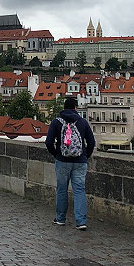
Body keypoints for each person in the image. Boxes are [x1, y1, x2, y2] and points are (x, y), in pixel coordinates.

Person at [44, 96, 96, 230]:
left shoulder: (56, 122)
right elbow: (91, 142)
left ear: (64, 107)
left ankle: (60, 218)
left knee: (62, 189)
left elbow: (49, 142)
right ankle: (81, 221)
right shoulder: (82, 122)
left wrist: (57, 154)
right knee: (79, 190)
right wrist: (85, 155)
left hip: (62, 161)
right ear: (75, 107)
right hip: (80, 161)